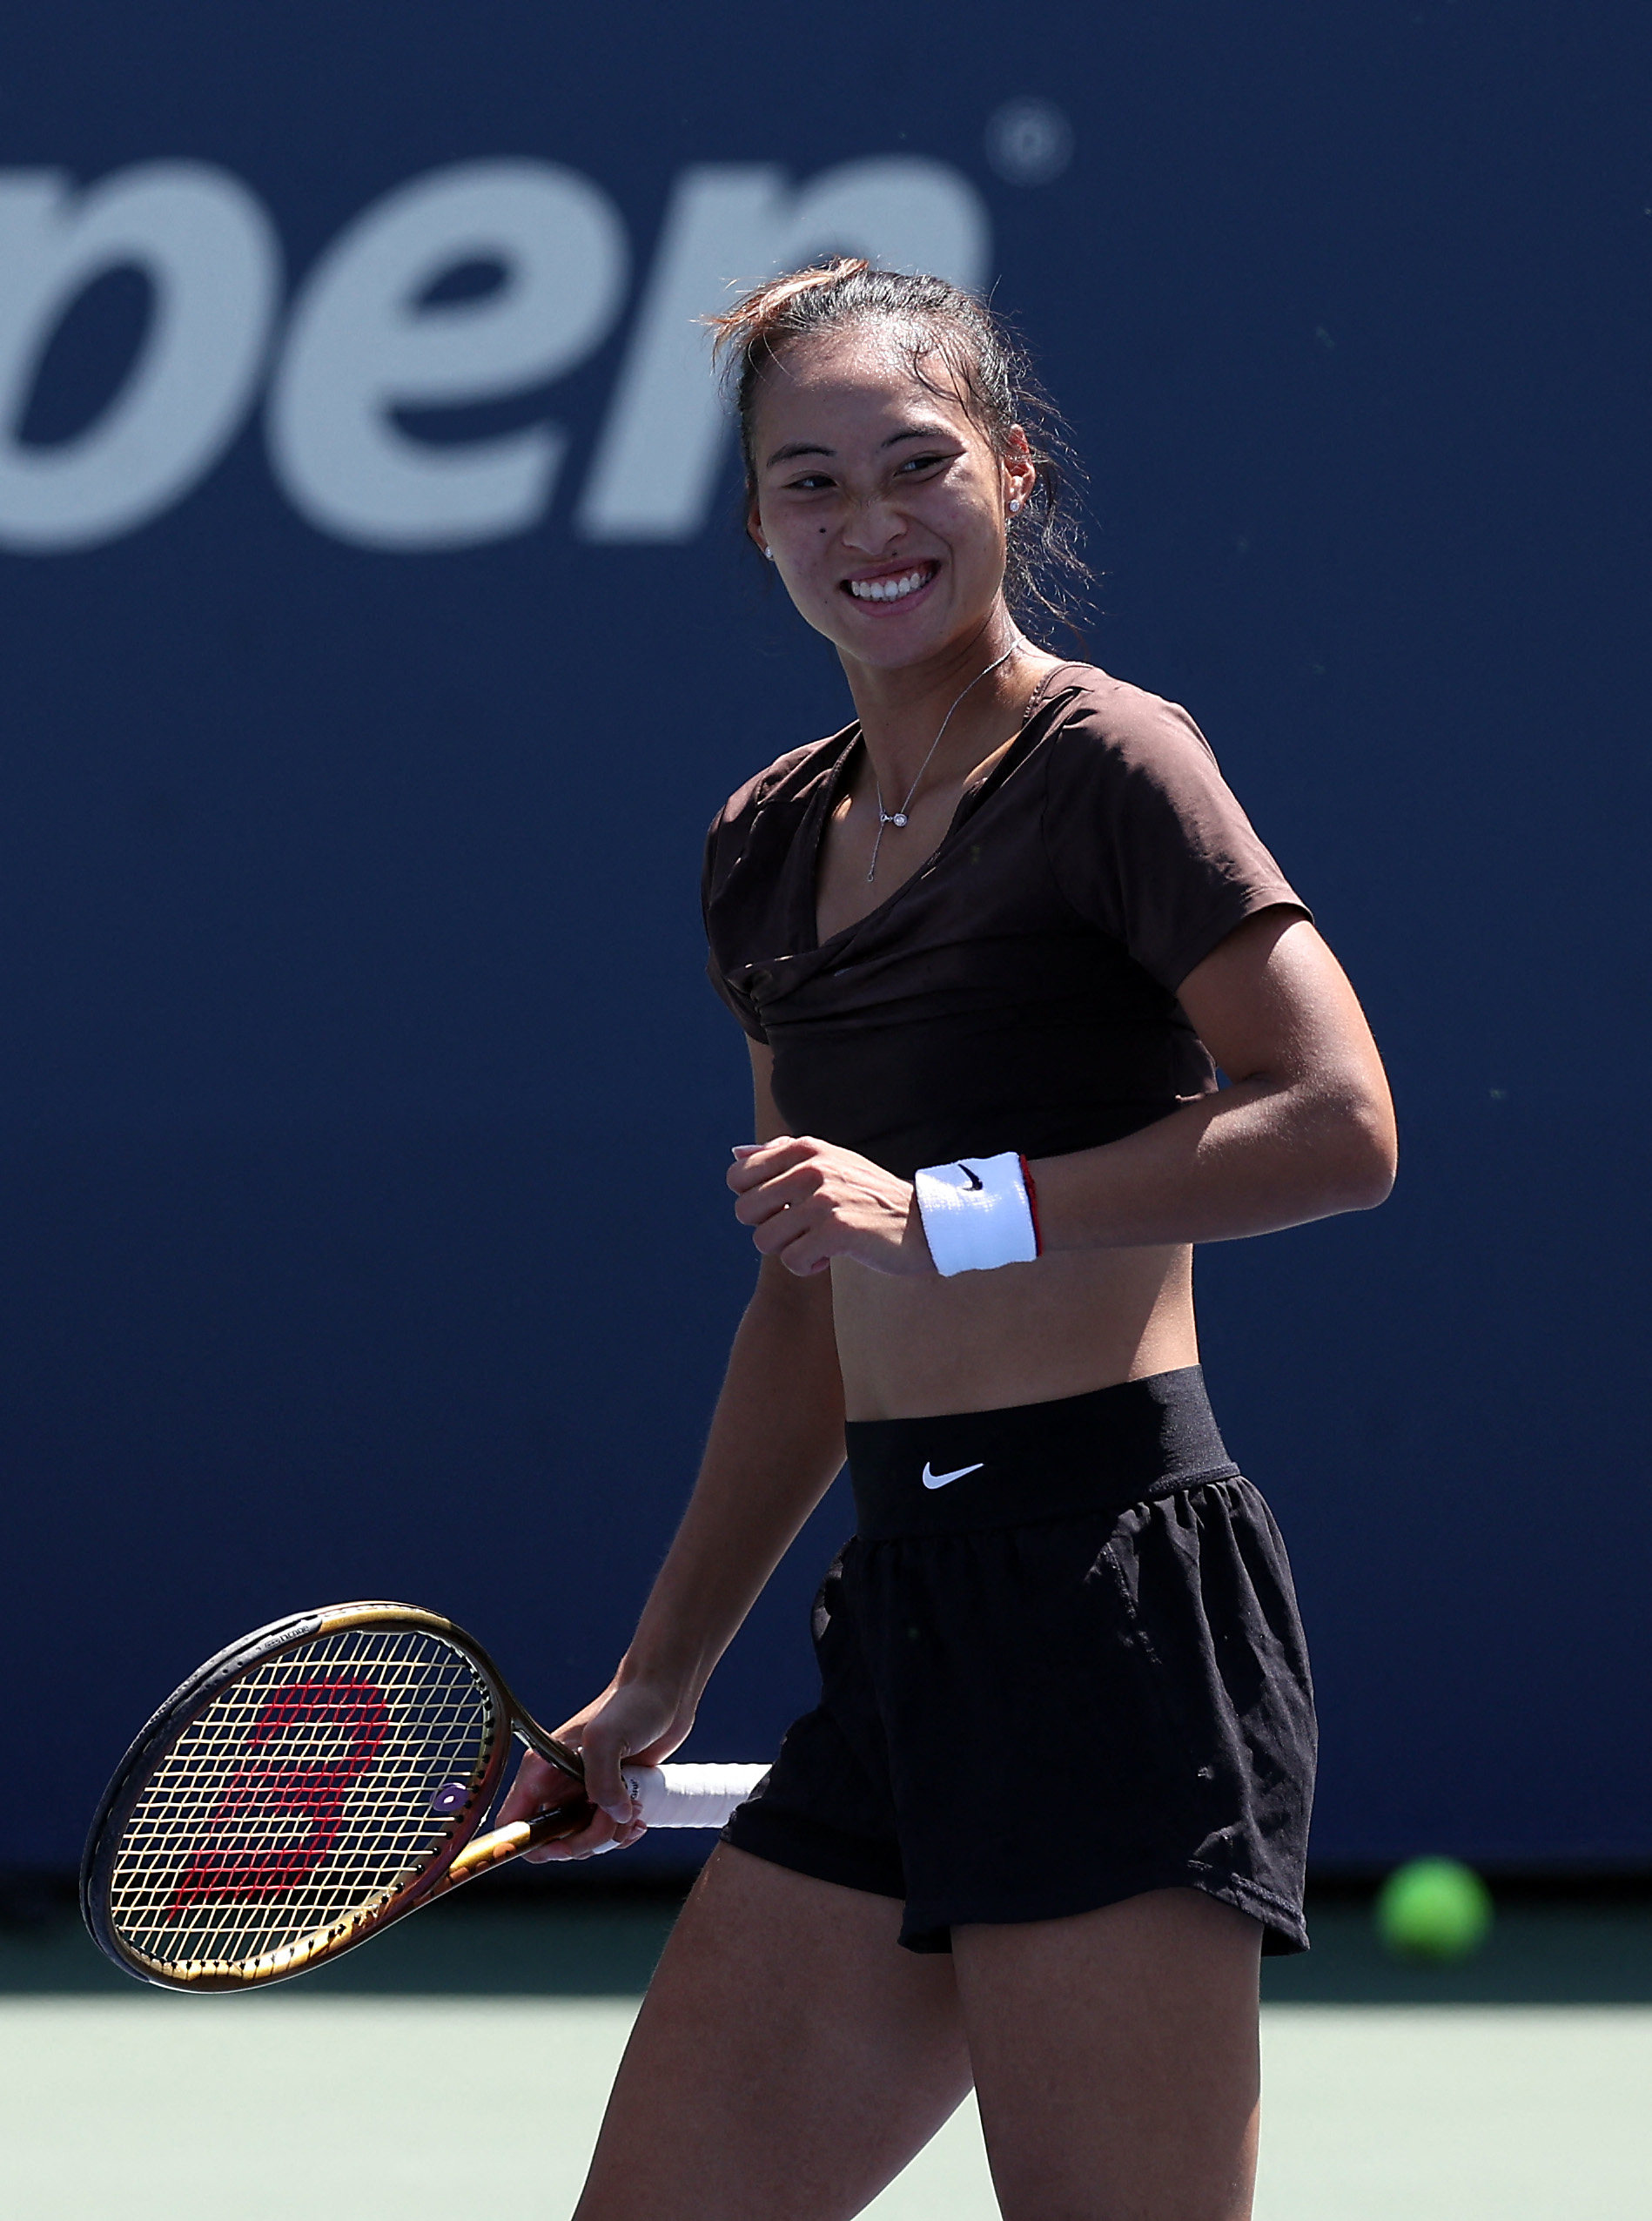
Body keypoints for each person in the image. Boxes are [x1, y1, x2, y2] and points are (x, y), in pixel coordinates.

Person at [500, 259, 1396, 2221]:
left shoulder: (1109, 764)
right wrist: (655, 1684)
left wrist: (954, 1209)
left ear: (1009, 471)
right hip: (900, 1622)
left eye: (915, 464)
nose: (868, 522)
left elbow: (1338, 1124)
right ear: (757, 523)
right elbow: (808, 1305)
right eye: (808, 483)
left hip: (1114, 1614)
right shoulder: (763, 842)